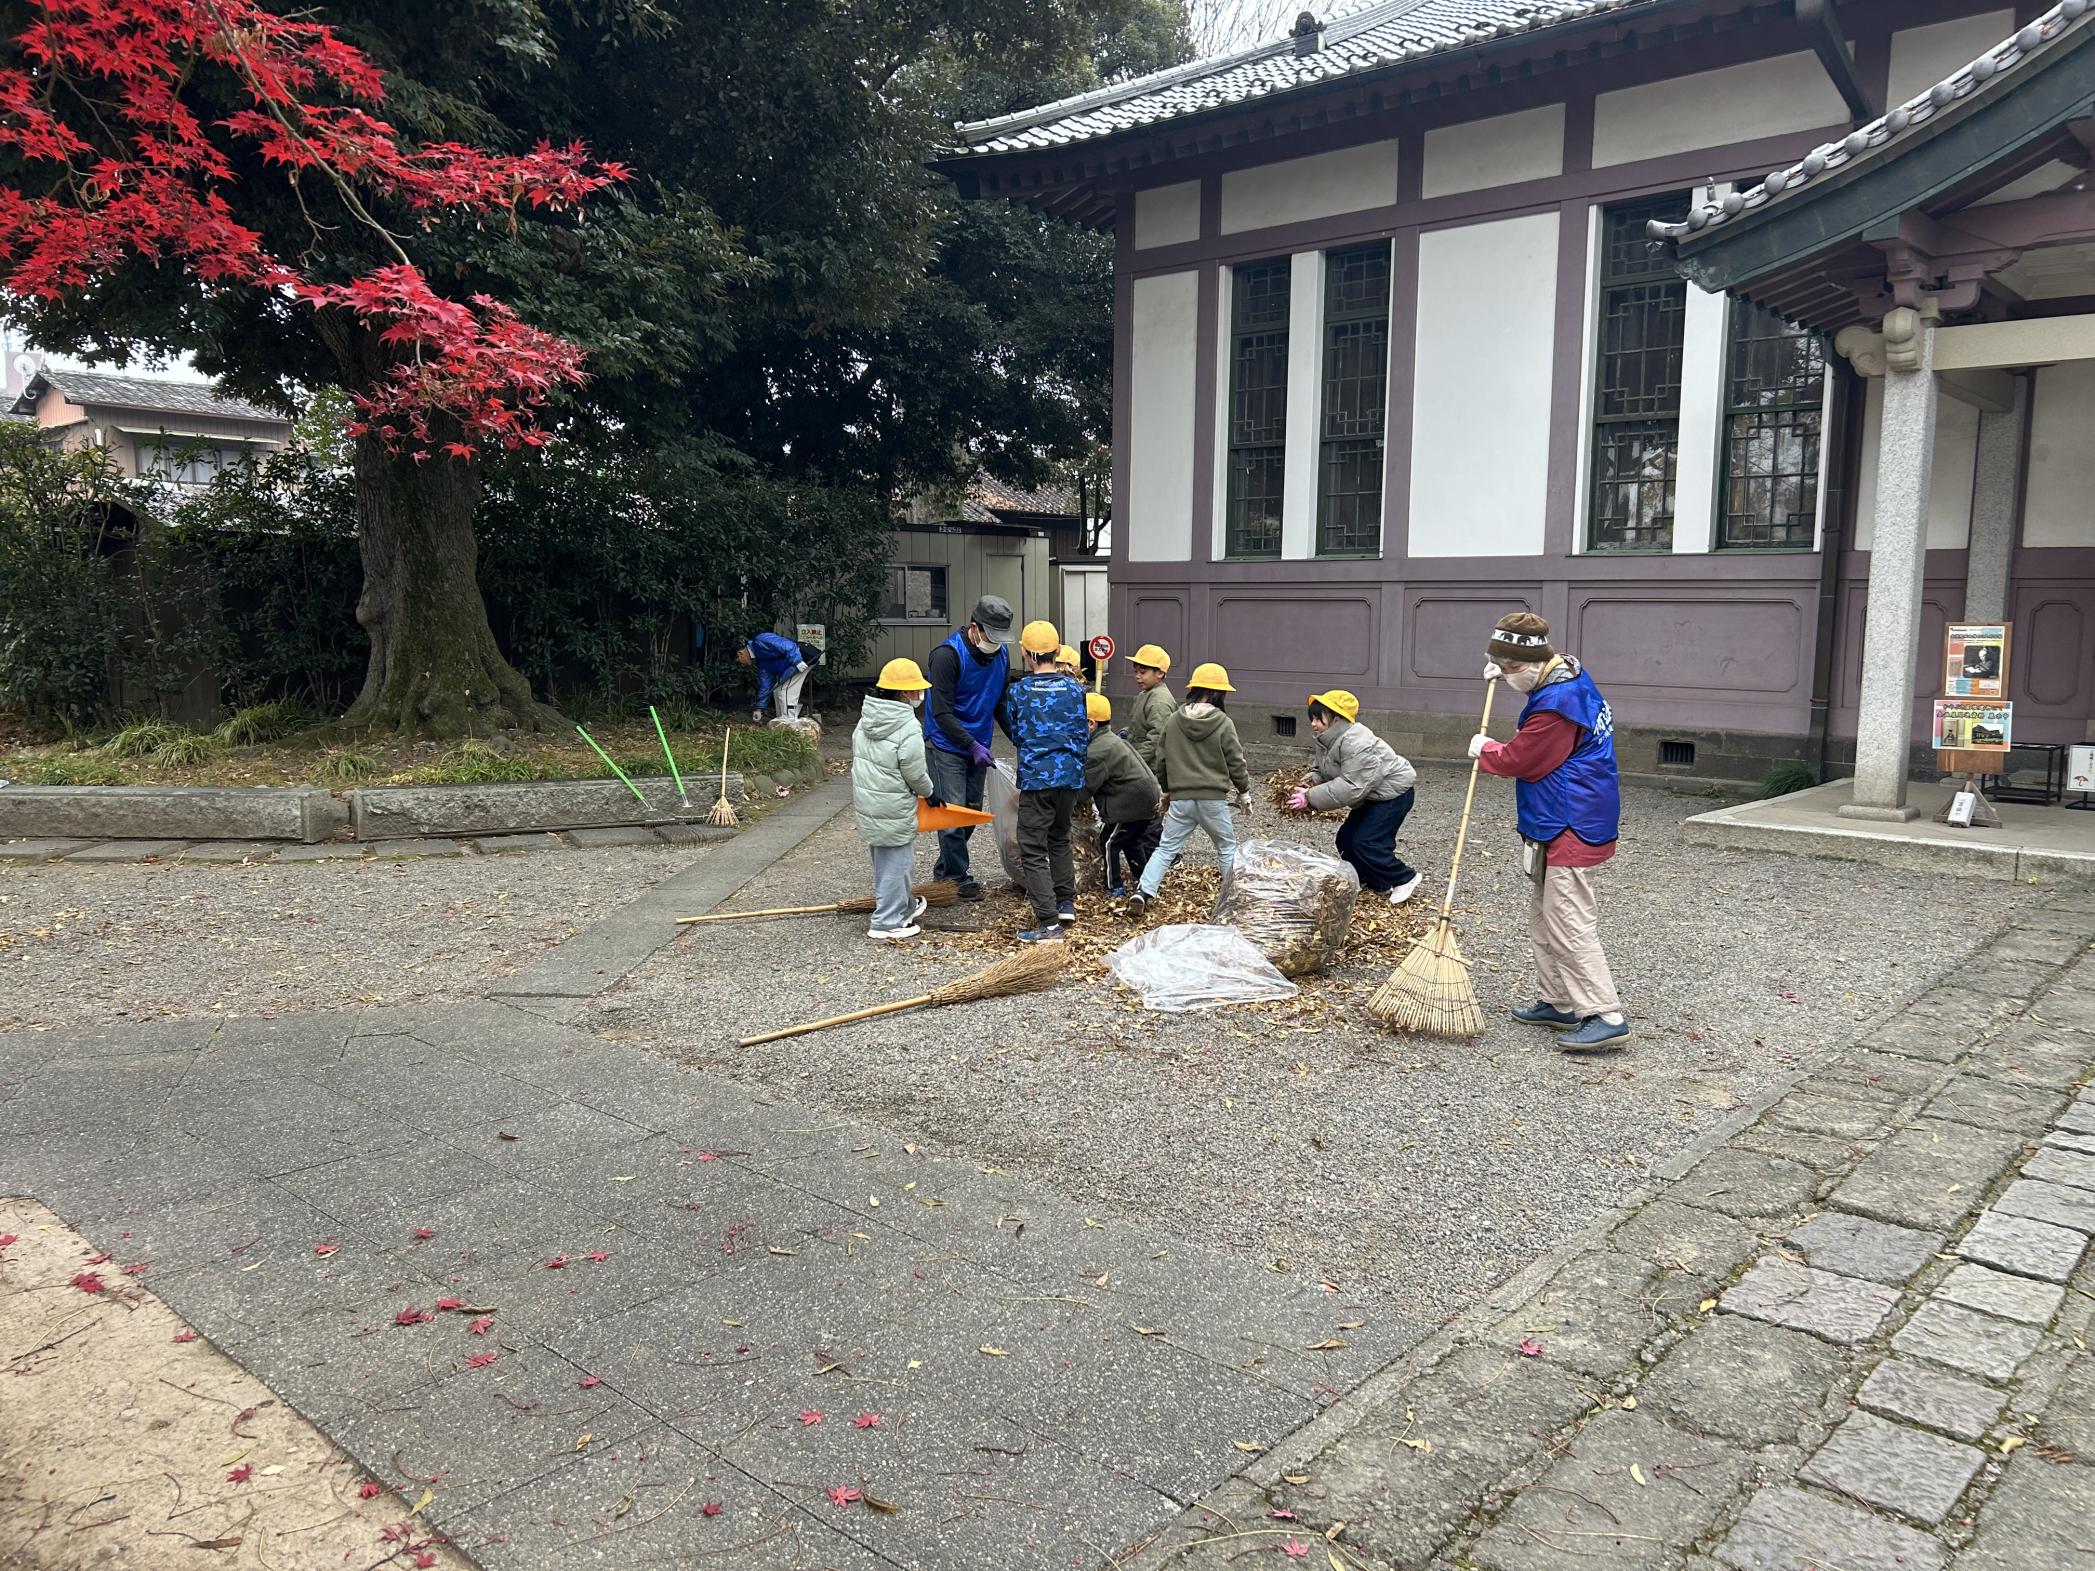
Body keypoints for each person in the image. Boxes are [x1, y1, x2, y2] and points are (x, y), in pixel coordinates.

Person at [1469, 611, 1628, 1052]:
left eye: (1511, 668)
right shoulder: (1565, 674)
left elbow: (1524, 759)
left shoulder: (1560, 706)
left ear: (1536, 663)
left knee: (1568, 918)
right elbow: (1524, 672)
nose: (1506, 675)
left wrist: (1488, 751)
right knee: (1544, 912)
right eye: (1499, 667)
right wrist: (1504, 672)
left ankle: (1604, 1013)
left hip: (1573, 819)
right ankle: (1558, 1001)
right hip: (1557, 815)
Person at [1129, 662, 1251, 915]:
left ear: (1194, 690)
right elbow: (1235, 761)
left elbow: (1162, 760)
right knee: (1226, 847)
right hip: (1212, 799)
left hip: (1181, 798)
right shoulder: (1223, 722)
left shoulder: (1174, 720)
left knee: (1165, 849)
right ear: (1219, 693)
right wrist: (1244, 791)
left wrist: (1165, 791)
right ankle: (1231, 898)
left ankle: (1143, 891)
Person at [921, 595, 1017, 900]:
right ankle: (958, 878)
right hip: (945, 744)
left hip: (978, 745)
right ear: (974, 628)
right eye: (990, 637)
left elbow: (999, 703)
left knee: (971, 812)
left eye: (1000, 639)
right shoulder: (947, 656)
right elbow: (941, 713)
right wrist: (971, 744)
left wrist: (1018, 737)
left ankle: (944, 873)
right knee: (953, 815)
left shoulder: (1001, 657)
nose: (995, 643)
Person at [1288, 690, 1423, 904]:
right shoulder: (1326, 740)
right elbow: (1322, 770)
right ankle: (1373, 881)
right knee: (1346, 840)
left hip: (1393, 794)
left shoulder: (1357, 742)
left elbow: (1351, 786)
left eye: (1318, 718)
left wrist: (1311, 797)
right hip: (1370, 795)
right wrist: (1309, 782)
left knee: (1366, 842)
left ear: (1337, 718)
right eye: (1312, 718)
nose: (1313, 724)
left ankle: (1404, 878)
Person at [1006, 620, 1089, 942]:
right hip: (1069, 777)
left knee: (1032, 847)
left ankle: (1048, 922)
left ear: (1026, 653)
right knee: (1059, 837)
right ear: (1057, 651)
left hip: (1037, 779)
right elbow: (1083, 732)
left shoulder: (1018, 691)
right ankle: (1066, 902)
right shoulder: (1075, 689)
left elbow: (1016, 733)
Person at [851, 658, 938, 941]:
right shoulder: (908, 727)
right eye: (916, 691)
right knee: (896, 865)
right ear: (904, 694)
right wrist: (930, 792)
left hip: (870, 805)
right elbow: (914, 771)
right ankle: (886, 922)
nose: (920, 695)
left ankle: (904, 907)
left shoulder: (867, 719)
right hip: (894, 806)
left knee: (887, 862)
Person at [1083, 692, 1161, 897]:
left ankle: (1113, 885)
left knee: (1109, 842)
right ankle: (1144, 880)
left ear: (1091, 724)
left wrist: (1065, 802)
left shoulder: (1098, 751)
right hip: (1146, 801)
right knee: (1131, 841)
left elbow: (1086, 788)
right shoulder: (1111, 739)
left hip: (1130, 804)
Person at [736, 630, 813, 722]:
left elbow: (788, 645)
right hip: (791, 666)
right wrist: (760, 708)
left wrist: (797, 661)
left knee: (784, 691)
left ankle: (790, 722)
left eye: (738, 661)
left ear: (740, 653)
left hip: (801, 660)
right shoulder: (761, 662)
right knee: (777, 690)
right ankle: (782, 719)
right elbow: (766, 686)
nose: (742, 664)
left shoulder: (760, 640)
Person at [1123, 643, 1178, 760]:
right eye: (1136, 672)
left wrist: (1135, 763)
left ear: (1160, 673)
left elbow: (1156, 740)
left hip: (1150, 767)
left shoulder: (1160, 701)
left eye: (1142, 672)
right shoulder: (1145, 693)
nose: (1137, 676)